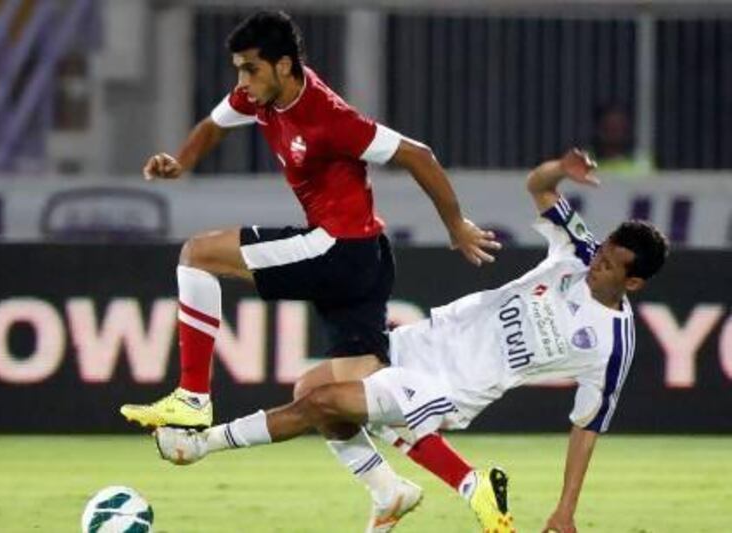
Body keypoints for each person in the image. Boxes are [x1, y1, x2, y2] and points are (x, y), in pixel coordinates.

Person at [152, 149, 669, 533]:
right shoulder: (577, 250)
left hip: (454, 384)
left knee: (322, 402)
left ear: (634, 283)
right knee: (310, 386)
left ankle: (200, 445)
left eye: (607, 265)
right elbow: (539, 186)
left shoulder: (611, 345)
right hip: (420, 342)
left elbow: (587, 428)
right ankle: (390, 492)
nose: (594, 263)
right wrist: (562, 169)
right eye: (600, 251)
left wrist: (565, 510)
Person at [120, 12, 498, 436]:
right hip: (369, 257)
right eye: (239, 70)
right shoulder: (259, 96)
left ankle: (192, 398)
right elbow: (214, 125)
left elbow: (419, 155)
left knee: (197, 255)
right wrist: (182, 161)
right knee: (363, 396)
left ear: (283, 66)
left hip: (339, 248)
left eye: (251, 69)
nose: (242, 81)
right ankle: (427, 487)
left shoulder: (329, 119)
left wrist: (456, 226)